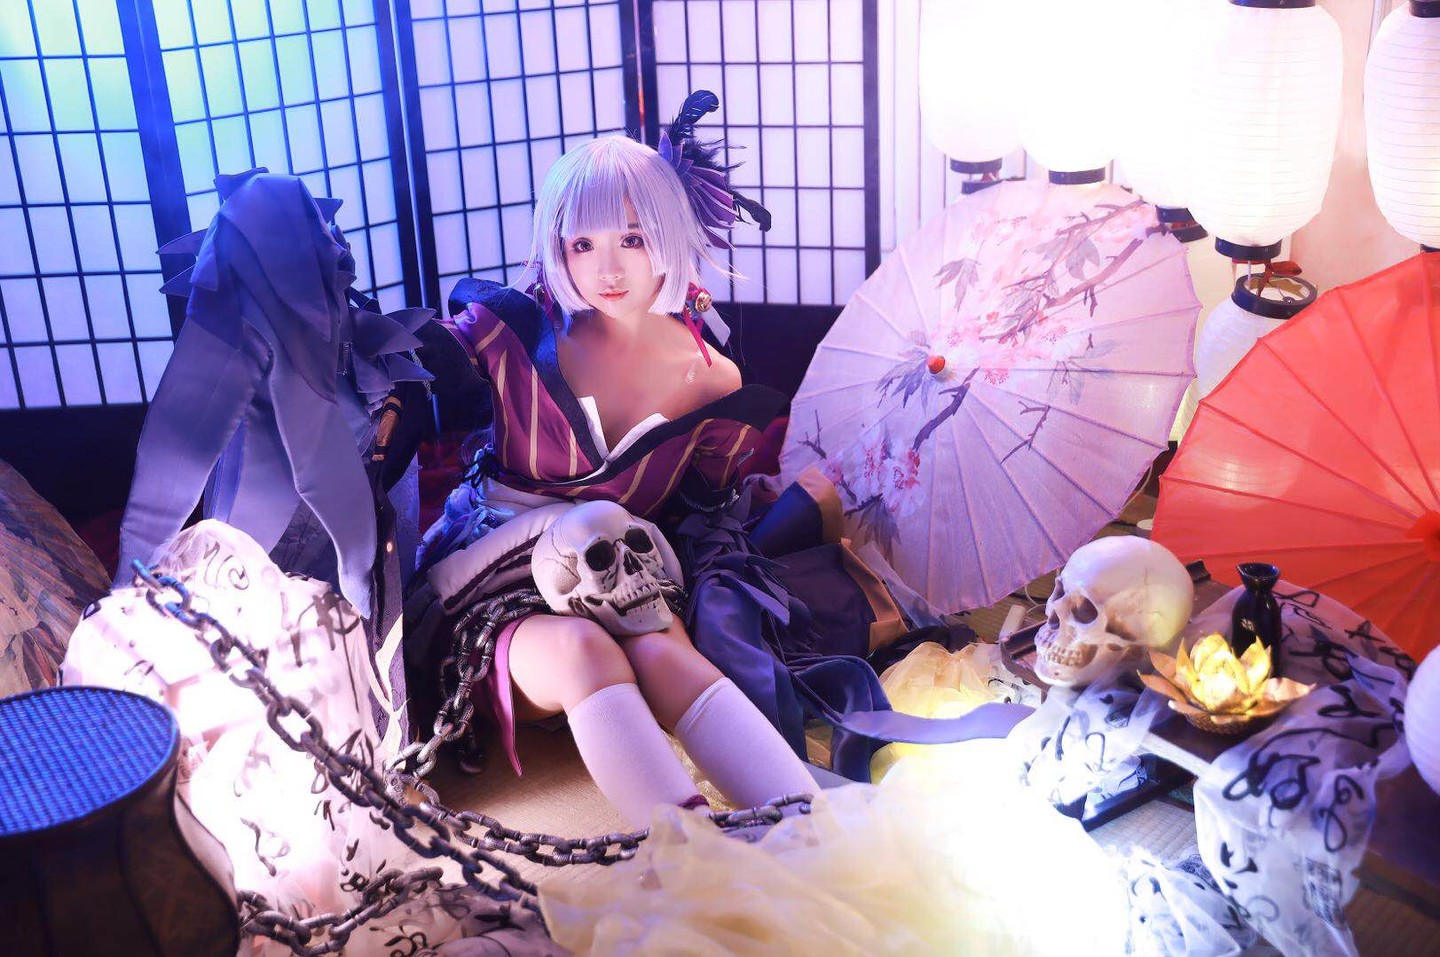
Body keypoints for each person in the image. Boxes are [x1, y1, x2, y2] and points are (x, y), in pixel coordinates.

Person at [409, 130, 817, 827]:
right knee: (583, 650)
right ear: (557, 247)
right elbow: (405, 369)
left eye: (632, 238)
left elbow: (704, 513)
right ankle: (693, 854)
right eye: (582, 243)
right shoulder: (507, 333)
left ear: (670, 230)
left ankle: (809, 825)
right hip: (489, 589)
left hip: (620, 580)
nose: (608, 268)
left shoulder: (713, 381)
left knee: (662, 645)